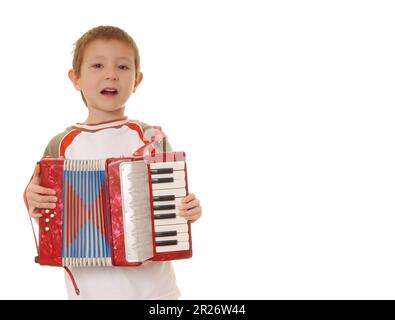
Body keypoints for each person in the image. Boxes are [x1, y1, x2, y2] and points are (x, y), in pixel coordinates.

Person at [23, 25, 202, 300]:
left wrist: (187, 210)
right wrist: (30, 199)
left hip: (155, 293)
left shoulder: (151, 138)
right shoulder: (60, 146)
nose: (111, 75)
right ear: (76, 79)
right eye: (97, 65)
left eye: (122, 67)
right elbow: (43, 210)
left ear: (137, 80)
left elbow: (174, 206)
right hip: (90, 294)